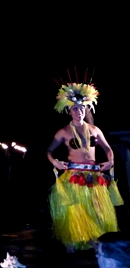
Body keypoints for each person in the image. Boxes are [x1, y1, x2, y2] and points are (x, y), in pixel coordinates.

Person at [47, 81, 123, 253]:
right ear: (69, 110)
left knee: (97, 209)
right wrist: (55, 162)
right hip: (74, 174)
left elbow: (108, 149)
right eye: (74, 108)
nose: (78, 111)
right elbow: (49, 151)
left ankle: (96, 239)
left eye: (81, 108)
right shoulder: (64, 132)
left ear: (85, 109)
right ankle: (74, 239)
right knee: (76, 209)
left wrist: (110, 161)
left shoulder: (95, 129)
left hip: (94, 175)